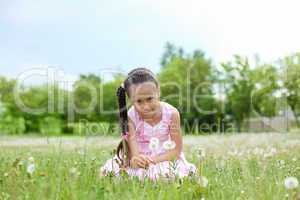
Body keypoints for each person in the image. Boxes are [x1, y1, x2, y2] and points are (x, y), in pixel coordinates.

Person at [100, 67, 196, 181]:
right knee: (116, 171)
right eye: (139, 101)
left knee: (166, 173)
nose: (146, 106)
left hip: (164, 157)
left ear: (158, 92)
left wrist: (153, 161)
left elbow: (176, 151)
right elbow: (134, 155)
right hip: (141, 157)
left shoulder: (171, 113)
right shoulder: (131, 116)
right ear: (131, 99)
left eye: (150, 99)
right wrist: (137, 160)